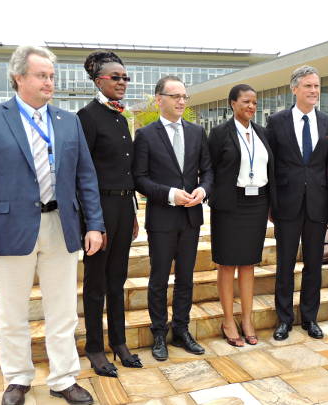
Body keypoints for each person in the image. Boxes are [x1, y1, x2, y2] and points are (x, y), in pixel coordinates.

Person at [0, 45, 104, 405]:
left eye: (52, 76)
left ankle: (63, 378)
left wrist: (94, 225)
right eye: (42, 75)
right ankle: (18, 378)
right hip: (8, 231)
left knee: (63, 311)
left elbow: (86, 177)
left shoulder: (68, 121)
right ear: (19, 77)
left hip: (62, 226)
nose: (49, 82)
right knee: (12, 312)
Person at [133, 75, 213, 361]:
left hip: (191, 217)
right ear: (159, 100)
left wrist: (203, 190)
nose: (181, 101)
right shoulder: (145, 135)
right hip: (163, 218)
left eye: (184, 97)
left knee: (186, 278)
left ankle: (181, 329)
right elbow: (139, 179)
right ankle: (158, 333)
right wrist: (169, 194)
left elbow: (208, 171)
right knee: (159, 279)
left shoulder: (196, 132)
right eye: (175, 96)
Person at [77, 50, 142, 378]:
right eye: (115, 77)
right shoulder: (86, 116)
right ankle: (94, 347)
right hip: (98, 211)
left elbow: (126, 172)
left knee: (118, 279)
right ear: (98, 79)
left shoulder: (121, 116)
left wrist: (131, 212)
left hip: (122, 207)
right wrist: (93, 223)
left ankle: (119, 341)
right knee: (96, 283)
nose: (122, 82)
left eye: (125, 77)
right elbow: (82, 173)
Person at [266, 65, 328, 341]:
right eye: (308, 86)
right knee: (285, 264)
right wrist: (272, 204)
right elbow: (272, 165)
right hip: (286, 204)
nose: (314, 91)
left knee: (313, 265)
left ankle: (310, 318)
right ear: (295, 88)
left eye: (317, 86)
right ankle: (284, 319)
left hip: (318, 205)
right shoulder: (277, 122)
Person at [208, 84, 275, 346]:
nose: (251, 107)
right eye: (246, 101)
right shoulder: (219, 133)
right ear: (232, 103)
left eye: (254, 103)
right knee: (227, 264)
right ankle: (227, 320)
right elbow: (210, 169)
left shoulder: (262, 133)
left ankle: (247, 319)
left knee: (248, 264)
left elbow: (271, 167)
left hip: (257, 203)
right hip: (229, 204)